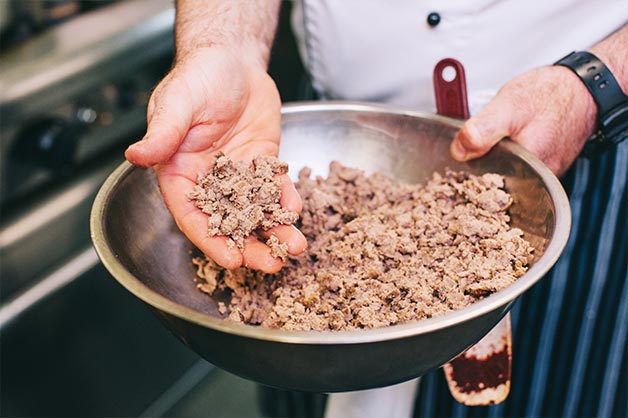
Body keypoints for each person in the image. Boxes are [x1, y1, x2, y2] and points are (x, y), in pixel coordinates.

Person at [126, 1, 628, 417]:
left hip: (565, 143)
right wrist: (223, 46)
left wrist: (596, 82)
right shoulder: (272, 172)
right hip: (318, 138)